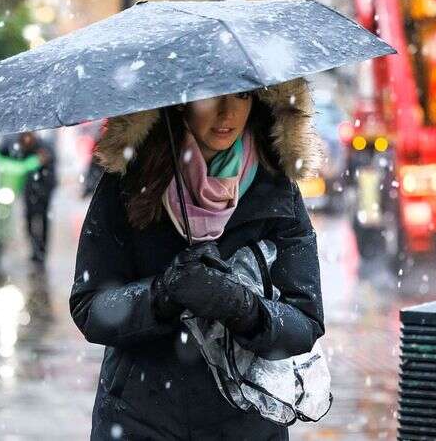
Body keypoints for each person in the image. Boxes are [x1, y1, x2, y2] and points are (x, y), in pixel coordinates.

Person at [70, 78, 325, 440]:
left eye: (241, 94)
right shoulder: (129, 182)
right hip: (140, 420)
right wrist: (161, 295)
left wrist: (243, 307)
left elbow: (305, 324)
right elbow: (90, 307)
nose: (227, 112)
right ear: (179, 101)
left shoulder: (275, 187)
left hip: (247, 424)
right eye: (209, 94)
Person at [0, 132, 57, 271]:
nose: (26, 139)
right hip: (28, 191)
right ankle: (35, 250)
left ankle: (41, 252)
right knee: (29, 220)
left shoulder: (45, 146)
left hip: (44, 191)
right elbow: (6, 154)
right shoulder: (19, 146)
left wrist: (45, 160)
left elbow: (52, 168)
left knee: (43, 220)